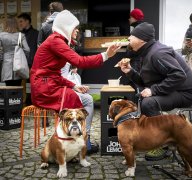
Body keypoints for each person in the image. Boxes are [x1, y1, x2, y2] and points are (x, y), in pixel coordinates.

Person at [30, 10, 121, 154]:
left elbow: (53, 75)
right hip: (44, 90)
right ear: (66, 27)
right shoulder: (55, 41)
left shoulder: (57, 40)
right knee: (75, 99)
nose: (77, 30)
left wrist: (74, 85)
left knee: (88, 99)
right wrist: (105, 55)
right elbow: (79, 61)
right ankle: (75, 143)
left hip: (48, 85)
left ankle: (85, 139)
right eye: (75, 27)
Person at [118, 22, 192, 117]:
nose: (129, 38)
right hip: (172, 90)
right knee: (140, 97)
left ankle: (161, 131)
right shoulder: (146, 52)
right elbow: (146, 82)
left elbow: (178, 75)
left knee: (148, 103)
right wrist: (130, 72)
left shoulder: (158, 53)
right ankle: (149, 129)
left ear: (142, 39)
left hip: (185, 93)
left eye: (132, 35)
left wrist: (153, 90)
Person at [61, 64, 98, 154]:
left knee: (87, 98)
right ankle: (85, 139)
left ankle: (82, 138)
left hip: (58, 89)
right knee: (88, 99)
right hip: (61, 92)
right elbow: (62, 79)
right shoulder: (62, 56)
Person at [0, 18, 30, 86]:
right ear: (16, 25)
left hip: (6, 64)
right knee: (18, 87)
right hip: (18, 65)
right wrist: (23, 56)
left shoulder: (1, 35)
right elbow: (27, 49)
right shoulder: (20, 35)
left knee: (8, 87)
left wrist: (2, 58)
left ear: (6, 25)